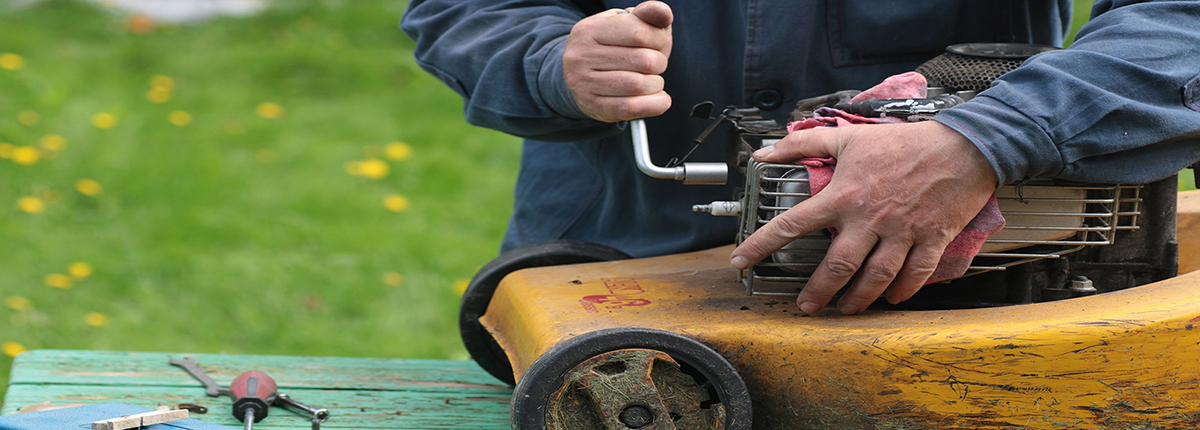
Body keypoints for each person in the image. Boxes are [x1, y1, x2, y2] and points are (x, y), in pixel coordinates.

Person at [402, 1, 1200, 314]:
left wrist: (991, 136)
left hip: (969, 290)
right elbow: (463, 11)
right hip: (619, 269)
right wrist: (552, 63)